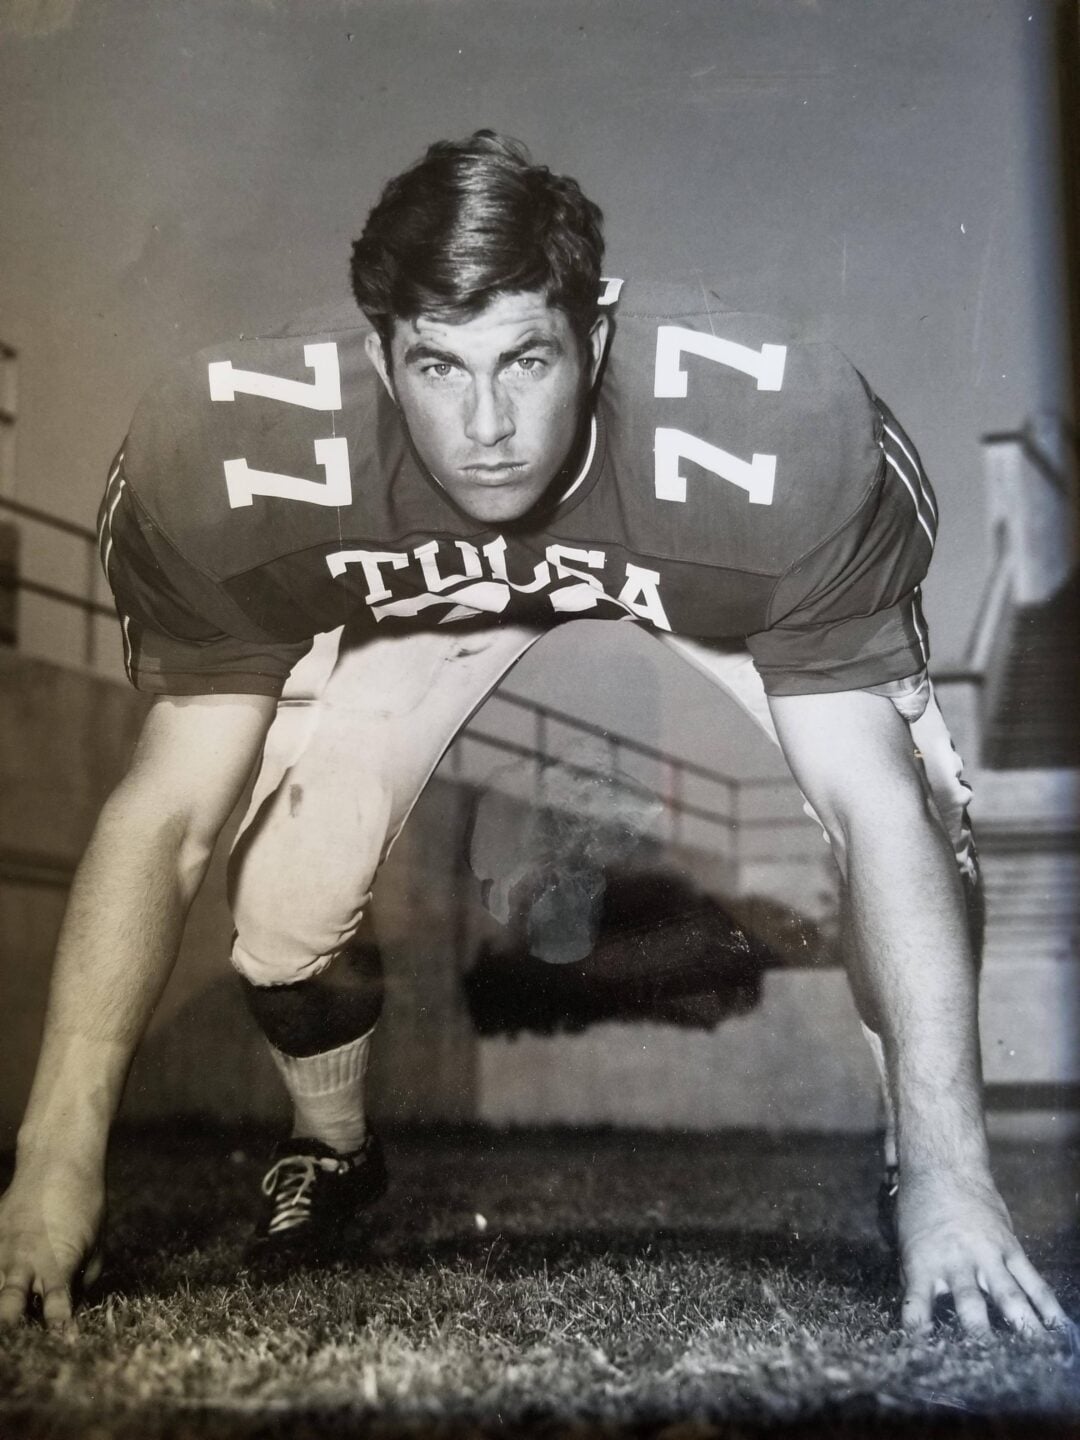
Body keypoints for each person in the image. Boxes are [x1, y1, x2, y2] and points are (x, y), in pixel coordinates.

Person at [0, 132, 1067, 1336]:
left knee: (916, 810)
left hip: (672, 544)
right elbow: (166, 819)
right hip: (429, 592)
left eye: (526, 359)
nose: (488, 424)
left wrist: (957, 1178)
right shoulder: (235, 456)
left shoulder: (771, 441)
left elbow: (872, 809)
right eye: (438, 367)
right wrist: (52, 1161)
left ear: (594, 343)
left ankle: (920, 1163)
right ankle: (334, 1146)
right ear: (379, 359)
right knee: (284, 905)